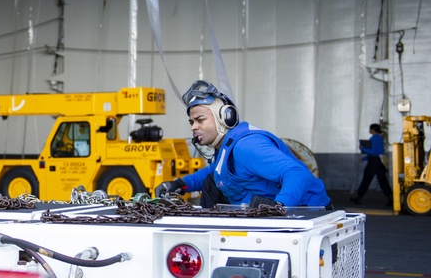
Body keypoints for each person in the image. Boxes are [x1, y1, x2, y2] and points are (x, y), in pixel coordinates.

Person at [155, 80, 331, 208]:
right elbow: (213, 171)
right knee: (211, 182)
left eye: (200, 120)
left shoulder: (246, 147)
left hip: (307, 213)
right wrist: (179, 184)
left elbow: (298, 173)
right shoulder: (225, 149)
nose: (194, 127)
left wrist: (279, 208)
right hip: (269, 214)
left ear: (225, 118)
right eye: (191, 122)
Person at [350, 123, 393, 206]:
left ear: (373, 130)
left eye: (370, 129)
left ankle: (359, 198)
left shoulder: (373, 138)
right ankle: (390, 198)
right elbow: (379, 151)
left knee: (366, 180)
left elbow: (373, 152)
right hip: (378, 161)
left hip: (373, 163)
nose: (369, 130)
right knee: (383, 181)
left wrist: (363, 148)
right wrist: (363, 159)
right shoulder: (380, 138)